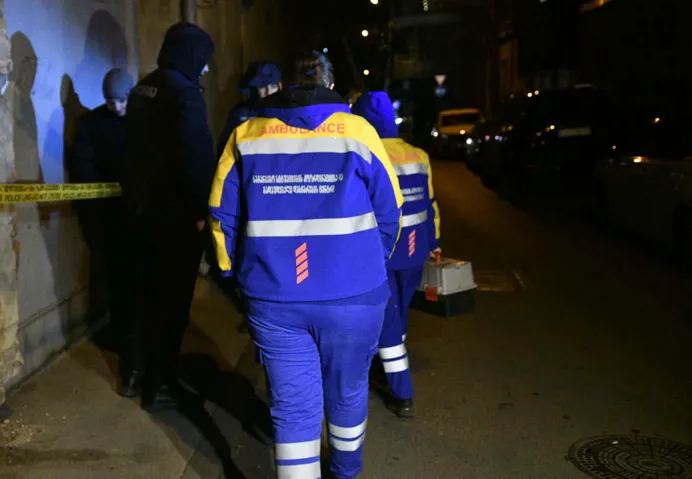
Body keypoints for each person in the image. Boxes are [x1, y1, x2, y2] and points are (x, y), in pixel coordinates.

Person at [210, 51, 403, 479]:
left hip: (275, 298)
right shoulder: (358, 131)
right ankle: (346, 472)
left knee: (294, 408)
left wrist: (232, 273)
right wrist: (368, 263)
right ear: (330, 86)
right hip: (355, 295)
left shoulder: (246, 134)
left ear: (283, 87)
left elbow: (222, 215)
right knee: (348, 392)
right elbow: (391, 211)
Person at [120, 22, 216, 411]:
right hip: (175, 218)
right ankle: (160, 383)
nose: (205, 68)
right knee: (172, 300)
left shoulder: (142, 88)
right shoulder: (185, 94)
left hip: (137, 213)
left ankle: (133, 373)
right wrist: (200, 212)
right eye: (204, 59)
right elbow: (195, 158)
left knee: (141, 296)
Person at [352, 91, 441, 418]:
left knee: (388, 321)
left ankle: (402, 392)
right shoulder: (418, 154)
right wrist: (435, 241)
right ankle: (391, 361)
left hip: (384, 251)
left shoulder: (367, 152)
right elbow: (430, 204)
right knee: (399, 313)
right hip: (415, 249)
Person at [70, 68, 134, 357]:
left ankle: (136, 331)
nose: (117, 107)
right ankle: (121, 331)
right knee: (115, 276)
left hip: (139, 213)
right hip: (107, 217)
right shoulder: (91, 125)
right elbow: (82, 167)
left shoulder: (145, 122)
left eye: (122, 100)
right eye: (111, 102)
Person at [216, 61, 282, 157]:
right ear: (253, 88)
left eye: (273, 86)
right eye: (262, 87)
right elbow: (225, 151)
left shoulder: (287, 112)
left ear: (280, 86)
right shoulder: (241, 114)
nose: (268, 91)